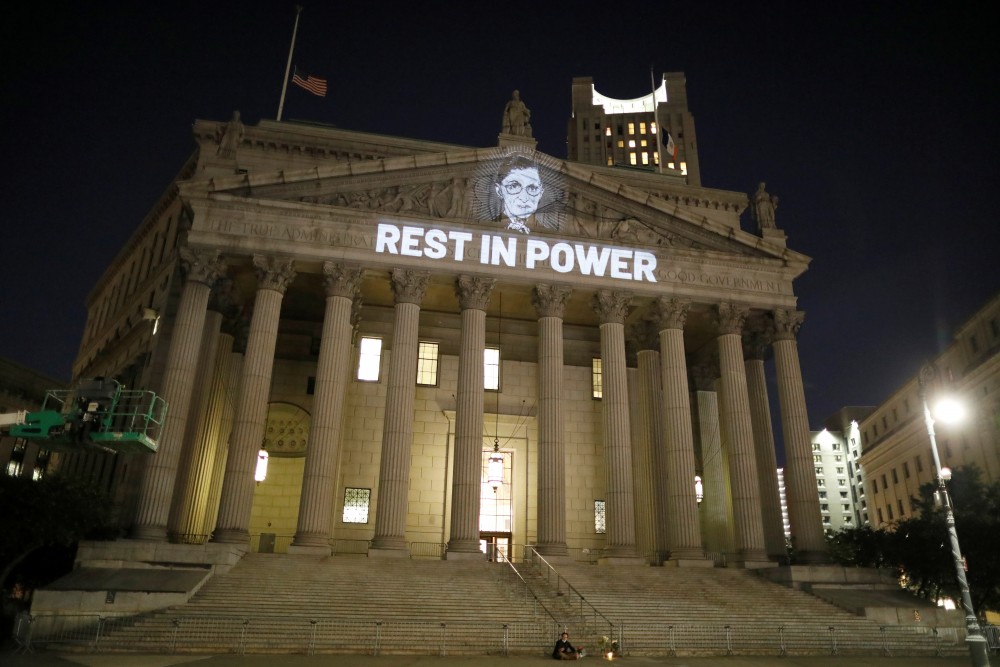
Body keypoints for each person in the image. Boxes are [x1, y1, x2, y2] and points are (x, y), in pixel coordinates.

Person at [495, 154, 544, 233]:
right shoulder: (485, 226)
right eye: (514, 186)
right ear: (499, 191)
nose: (524, 198)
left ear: (541, 193)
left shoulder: (546, 232)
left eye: (532, 188)